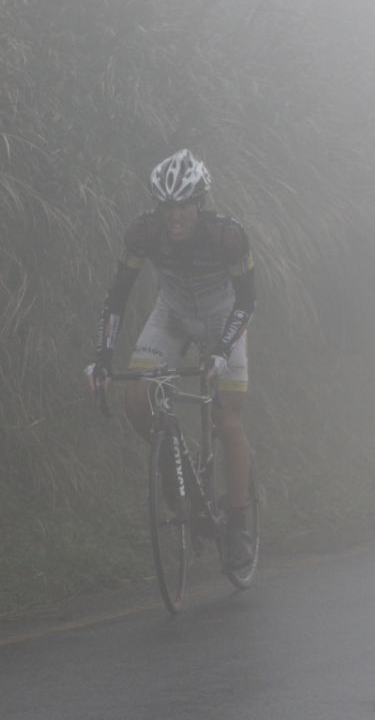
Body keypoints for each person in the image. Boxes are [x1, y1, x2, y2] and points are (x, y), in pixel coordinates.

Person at [87, 149, 256, 569]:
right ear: (158, 206)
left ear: (199, 203)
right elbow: (117, 295)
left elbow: (248, 300)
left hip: (223, 318)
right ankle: (178, 467)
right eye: (167, 206)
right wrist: (103, 355)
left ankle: (237, 527)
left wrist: (221, 350)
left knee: (227, 422)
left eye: (184, 205)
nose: (175, 216)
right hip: (173, 314)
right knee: (136, 401)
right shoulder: (143, 233)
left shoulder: (228, 237)